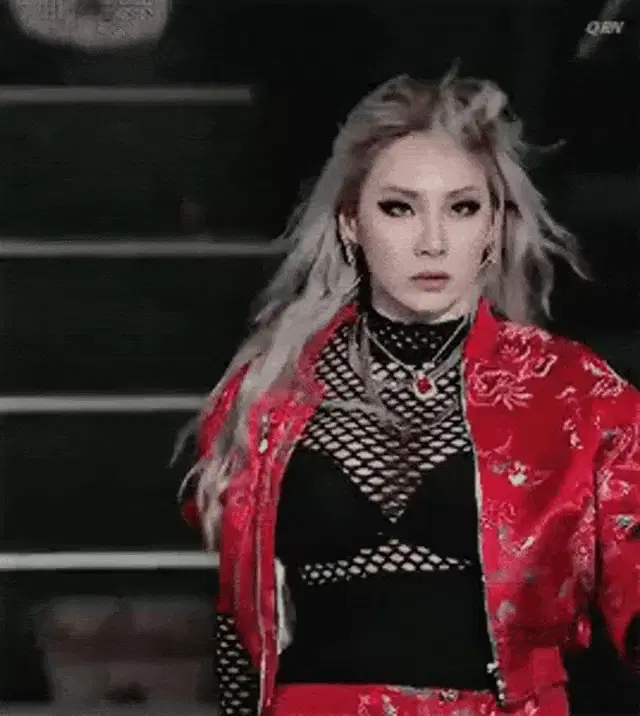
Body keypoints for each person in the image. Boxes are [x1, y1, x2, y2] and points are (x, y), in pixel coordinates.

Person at [178, 71, 640, 716]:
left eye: (462, 208)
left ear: (495, 226)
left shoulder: (573, 391)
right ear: (350, 224)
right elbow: (237, 622)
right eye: (399, 208)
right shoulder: (268, 396)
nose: (432, 241)